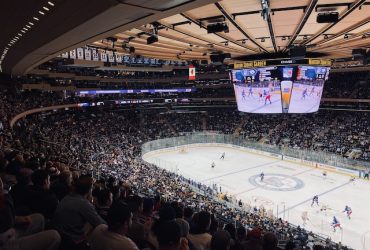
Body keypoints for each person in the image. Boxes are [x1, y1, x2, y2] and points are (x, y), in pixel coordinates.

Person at [53, 175, 106, 248]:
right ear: (89, 190)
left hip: (61, 236)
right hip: (72, 242)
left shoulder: (67, 197)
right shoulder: (84, 204)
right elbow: (101, 224)